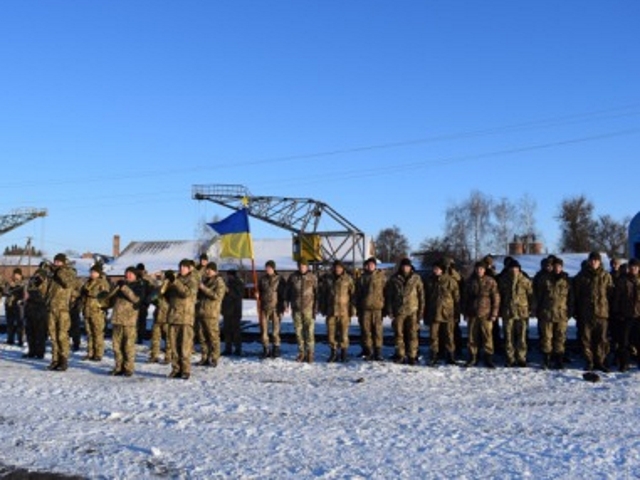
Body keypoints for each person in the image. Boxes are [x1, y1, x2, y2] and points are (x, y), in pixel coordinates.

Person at [573, 251, 614, 372]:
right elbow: (576, 295)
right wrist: (577, 311)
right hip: (586, 313)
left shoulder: (606, 276)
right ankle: (589, 361)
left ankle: (600, 361)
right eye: (591, 260)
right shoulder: (581, 276)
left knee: (601, 339)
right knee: (586, 339)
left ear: (599, 262)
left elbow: (610, 294)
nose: (593, 262)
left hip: (602, 313)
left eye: (596, 260)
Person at [385, 258, 425, 365]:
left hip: (413, 310)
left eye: (407, 266)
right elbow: (389, 295)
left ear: (410, 267)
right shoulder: (394, 279)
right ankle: (400, 355)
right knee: (398, 334)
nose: (405, 268)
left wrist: (421, 311)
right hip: (398, 311)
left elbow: (421, 296)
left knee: (413, 334)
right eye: (403, 266)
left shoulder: (416, 278)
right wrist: (390, 310)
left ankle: (412, 355)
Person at [537, 257, 573, 369]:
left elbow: (571, 298)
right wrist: (538, 310)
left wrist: (570, 312)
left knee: (560, 337)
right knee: (546, 337)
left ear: (562, 267)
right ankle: (546, 360)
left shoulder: (566, 280)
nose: (557, 269)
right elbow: (538, 296)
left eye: (559, 267)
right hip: (547, 313)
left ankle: (559, 360)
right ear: (552, 267)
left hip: (562, 314)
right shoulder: (544, 279)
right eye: (555, 266)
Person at [166, 259, 199, 379]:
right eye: (180, 267)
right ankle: (176, 369)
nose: (181, 269)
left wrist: (175, 282)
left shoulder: (192, 280)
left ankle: (185, 370)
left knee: (185, 346)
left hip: (185, 318)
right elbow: (167, 297)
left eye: (184, 267)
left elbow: (186, 293)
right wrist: (167, 284)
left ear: (189, 269)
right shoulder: (175, 280)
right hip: (173, 317)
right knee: (174, 346)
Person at [464, 261, 500, 368]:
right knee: (472, 337)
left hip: (486, 313)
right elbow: (465, 298)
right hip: (472, 313)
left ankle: (488, 357)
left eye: (481, 269)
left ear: (484, 270)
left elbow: (496, 298)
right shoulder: (470, 281)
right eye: (477, 269)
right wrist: (465, 312)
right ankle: (473, 357)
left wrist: (494, 313)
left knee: (487, 336)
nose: (479, 271)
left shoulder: (490, 281)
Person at [423, 260, 460, 366]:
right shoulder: (429, 281)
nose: (435, 270)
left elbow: (456, 297)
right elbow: (426, 297)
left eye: (437, 269)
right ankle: (434, 355)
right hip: (434, 312)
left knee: (449, 335)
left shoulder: (450, 281)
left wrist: (457, 313)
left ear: (442, 270)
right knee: (433, 335)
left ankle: (451, 356)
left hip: (447, 312)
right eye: (434, 268)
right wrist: (425, 313)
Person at [45, 253, 77, 371]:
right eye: (55, 261)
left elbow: (68, 283)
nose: (56, 263)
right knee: (53, 336)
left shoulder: (68, 272)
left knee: (62, 335)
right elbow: (47, 291)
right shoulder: (53, 275)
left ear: (63, 262)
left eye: (59, 262)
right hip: (51, 308)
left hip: (62, 309)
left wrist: (58, 272)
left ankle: (63, 360)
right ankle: (55, 360)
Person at [498, 260, 533, 367]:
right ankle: (510, 358)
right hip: (508, 312)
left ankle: (521, 357)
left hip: (522, 312)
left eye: (516, 268)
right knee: (508, 336)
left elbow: (531, 295)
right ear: (508, 269)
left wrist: (531, 309)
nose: (514, 270)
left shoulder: (525, 280)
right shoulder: (503, 281)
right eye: (512, 268)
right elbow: (499, 296)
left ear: (519, 269)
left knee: (521, 337)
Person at [320, 260, 355, 363]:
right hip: (331, 311)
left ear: (342, 268)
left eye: (339, 267)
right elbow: (323, 294)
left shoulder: (348, 279)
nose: (337, 269)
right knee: (331, 334)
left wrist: (353, 309)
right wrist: (323, 308)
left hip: (344, 311)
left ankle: (344, 353)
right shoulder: (328, 279)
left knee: (344, 334)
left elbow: (353, 295)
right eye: (336, 267)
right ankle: (333, 353)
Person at [109, 266, 141, 376]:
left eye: (131, 273)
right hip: (117, 319)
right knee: (116, 347)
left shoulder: (138, 286)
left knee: (128, 346)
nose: (128, 275)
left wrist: (124, 288)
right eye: (127, 273)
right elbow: (111, 299)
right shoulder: (120, 286)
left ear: (135, 275)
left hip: (129, 321)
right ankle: (118, 367)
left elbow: (136, 299)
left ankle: (128, 368)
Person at [286, 259, 318, 363]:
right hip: (296, 309)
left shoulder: (312, 277)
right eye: (300, 265)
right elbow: (287, 292)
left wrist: (316, 308)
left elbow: (317, 293)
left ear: (307, 267)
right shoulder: (293, 277)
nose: (302, 267)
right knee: (298, 332)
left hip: (309, 309)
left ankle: (310, 353)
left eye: (304, 266)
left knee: (309, 332)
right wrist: (286, 304)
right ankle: (301, 353)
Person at [354, 257, 387, 361]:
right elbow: (357, 293)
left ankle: (378, 352)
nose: (370, 266)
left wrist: (385, 307)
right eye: (368, 265)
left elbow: (387, 292)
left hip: (377, 308)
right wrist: (357, 307)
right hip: (365, 308)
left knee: (377, 331)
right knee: (366, 330)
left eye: (372, 265)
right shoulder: (362, 278)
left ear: (375, 266)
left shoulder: (381, 277)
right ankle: (368, 351)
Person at [613, 258, 640, 371]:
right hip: (626, 316)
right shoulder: (622, 280)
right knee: (624, 341)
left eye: (636, 267)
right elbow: (616, 298)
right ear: (628, 268)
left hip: (638, 316)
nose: (633, 269)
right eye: (631, 266)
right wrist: (617, 313)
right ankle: (624, 363)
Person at [80, 264, 111, 361]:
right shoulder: (88, 282)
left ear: (99, 273)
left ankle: (98, 353)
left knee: (97, 333)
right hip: (87, 310)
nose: (92, 274)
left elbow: (104, 296)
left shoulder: (102, 283)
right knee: (89, 333)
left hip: (97, 311)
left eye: (94, 272)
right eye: (91, 272)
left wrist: (90, 293)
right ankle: (90, 352)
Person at [256, 260, 286, 358]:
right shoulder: (262, 279)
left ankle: (276, 348)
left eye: (269, 267)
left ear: (273, 268)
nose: (267, 269)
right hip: (264, 308)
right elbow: (259, 290)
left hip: (276, 308)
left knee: (275, 331)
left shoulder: (279, 279)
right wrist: (257, 294)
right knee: (264, 330)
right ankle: (266, 349)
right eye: (266, 267)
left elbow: (283, 294)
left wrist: (284, 306)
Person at [23, 267, 49, 359]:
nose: (37, 277)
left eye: (39, 275)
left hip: (41, 311)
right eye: (36, 275)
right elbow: (26, 294)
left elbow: (45, 294)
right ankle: (31, 351)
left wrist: (41, 282)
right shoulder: (31, 282)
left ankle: (40, 352)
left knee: (40, 333)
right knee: (30, 332)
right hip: (30, 310)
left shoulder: (46, 283)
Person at [149, 271, 173, 364]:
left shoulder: (173, 288)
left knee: (168, 338)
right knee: (155, 337)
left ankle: (168, 356)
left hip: (168, 317)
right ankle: (154, 356)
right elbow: (151, 298)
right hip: (158, 316)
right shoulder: (159, 287)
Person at [222, 269, 245, 356]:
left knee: (236, 331)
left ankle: (238, 348)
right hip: (227, 310)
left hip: (235, 310)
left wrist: (229, 291)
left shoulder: (239, 283)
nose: (228, 277)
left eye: (229, 275)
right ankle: (228, 348)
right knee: (227, 330)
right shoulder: (226, 283)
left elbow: (239, 295)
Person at [4, 268, 26, 346]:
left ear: (20, 275)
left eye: (17, 274)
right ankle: (10, 339)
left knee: (20, 323)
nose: (15, 276)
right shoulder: (9, 282)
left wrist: (22, 300)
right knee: (10, 323)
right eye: (14, 274)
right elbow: (5, 292)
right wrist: (9, 285)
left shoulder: (24, 283)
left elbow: (25, 294)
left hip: (19, 306)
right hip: (9, 305)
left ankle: (21, 340)